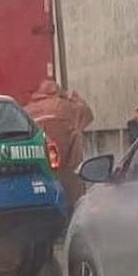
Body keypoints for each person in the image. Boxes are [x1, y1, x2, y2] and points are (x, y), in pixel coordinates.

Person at [25, 79, 95, 208]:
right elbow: (88, 115)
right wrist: (75, 99)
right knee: (73, 193)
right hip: (68, 162)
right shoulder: (66, 106)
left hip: (41, 163)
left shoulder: (28, 110)